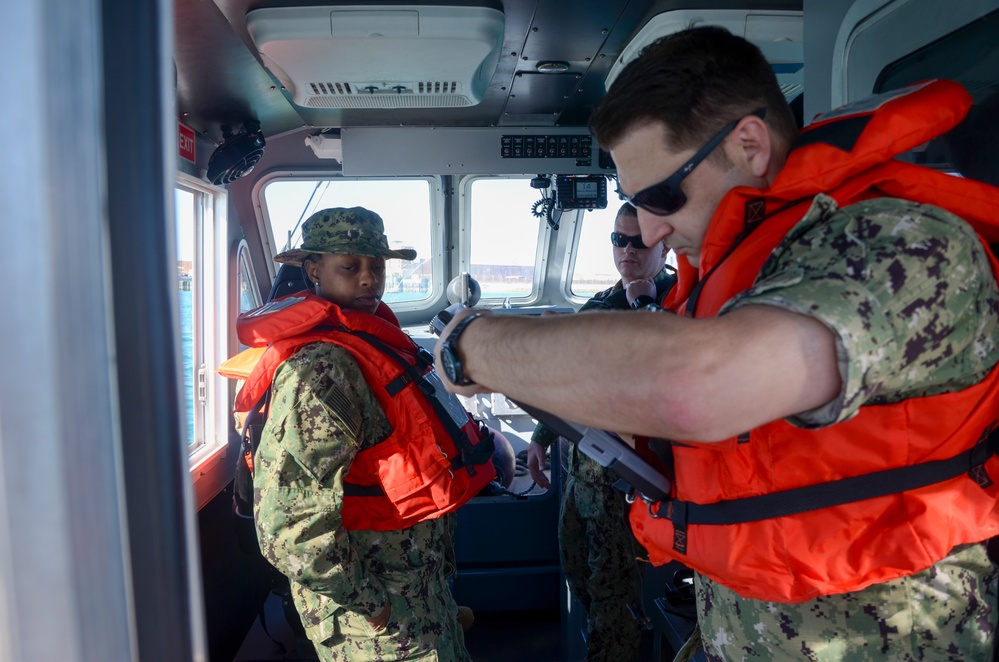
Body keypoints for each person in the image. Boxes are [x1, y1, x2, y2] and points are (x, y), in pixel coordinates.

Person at [433, 26, 999, 660]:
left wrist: (472, 346)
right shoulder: (743, 279)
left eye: (662, 196)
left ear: (748, 144)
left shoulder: (900, 243)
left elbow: (699, 387)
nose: (648, 230)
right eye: (632, 204)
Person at [240, 207, 496, 662]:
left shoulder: (372, 344)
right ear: (313, 270)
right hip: (378, 616)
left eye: (376, 266)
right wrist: (371, 603)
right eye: (350, 266)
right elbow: (288, 527)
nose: (368, 280)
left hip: (415, 588)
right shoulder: (320, 372)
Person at [527, 202, 674, 661]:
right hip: (583, 480)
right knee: (582, 582)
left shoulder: (677, 305)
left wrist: (642, 306)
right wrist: (540, 437)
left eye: (639, 241)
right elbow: (567, 377)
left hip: (628, 488)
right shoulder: (600, 303)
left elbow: (667, 375)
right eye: (618, 239)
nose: (626, 250)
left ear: (664, 243)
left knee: (616, 602)